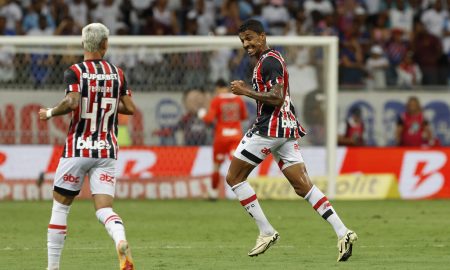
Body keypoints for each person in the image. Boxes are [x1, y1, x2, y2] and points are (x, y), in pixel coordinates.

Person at [227, 19, 357, 261]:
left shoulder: (270, 62)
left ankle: (266, 231)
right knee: (303, 186)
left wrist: (245, 91)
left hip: (270, 128)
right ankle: (343, 231)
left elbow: (276, 97)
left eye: (250, 38)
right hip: (286, 129)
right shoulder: (268, 60)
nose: (246, 44)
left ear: (262, 37)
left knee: (234, 177)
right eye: (243, 40)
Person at [38, 23, 136, 270]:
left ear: (83, 44)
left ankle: (52, 267)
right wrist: (108, 101)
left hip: (78, 148)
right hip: (107, 150)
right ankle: (120, 239)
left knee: (60, 207)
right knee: (104, 208)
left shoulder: (75, 71)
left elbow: (72, 102)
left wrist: (50, 112)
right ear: (105, 45)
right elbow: (130, 108)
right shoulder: (118, 73)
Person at [198, 78, 248, 199]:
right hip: (236, 136)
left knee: (216, 165)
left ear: (218, 88)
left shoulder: (217, 100)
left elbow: (209, 119)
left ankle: (214, 192)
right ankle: (243, 193)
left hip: (221, 137)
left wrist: (202, 114)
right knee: (237, 166)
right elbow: (244, 116)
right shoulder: (238, 99)